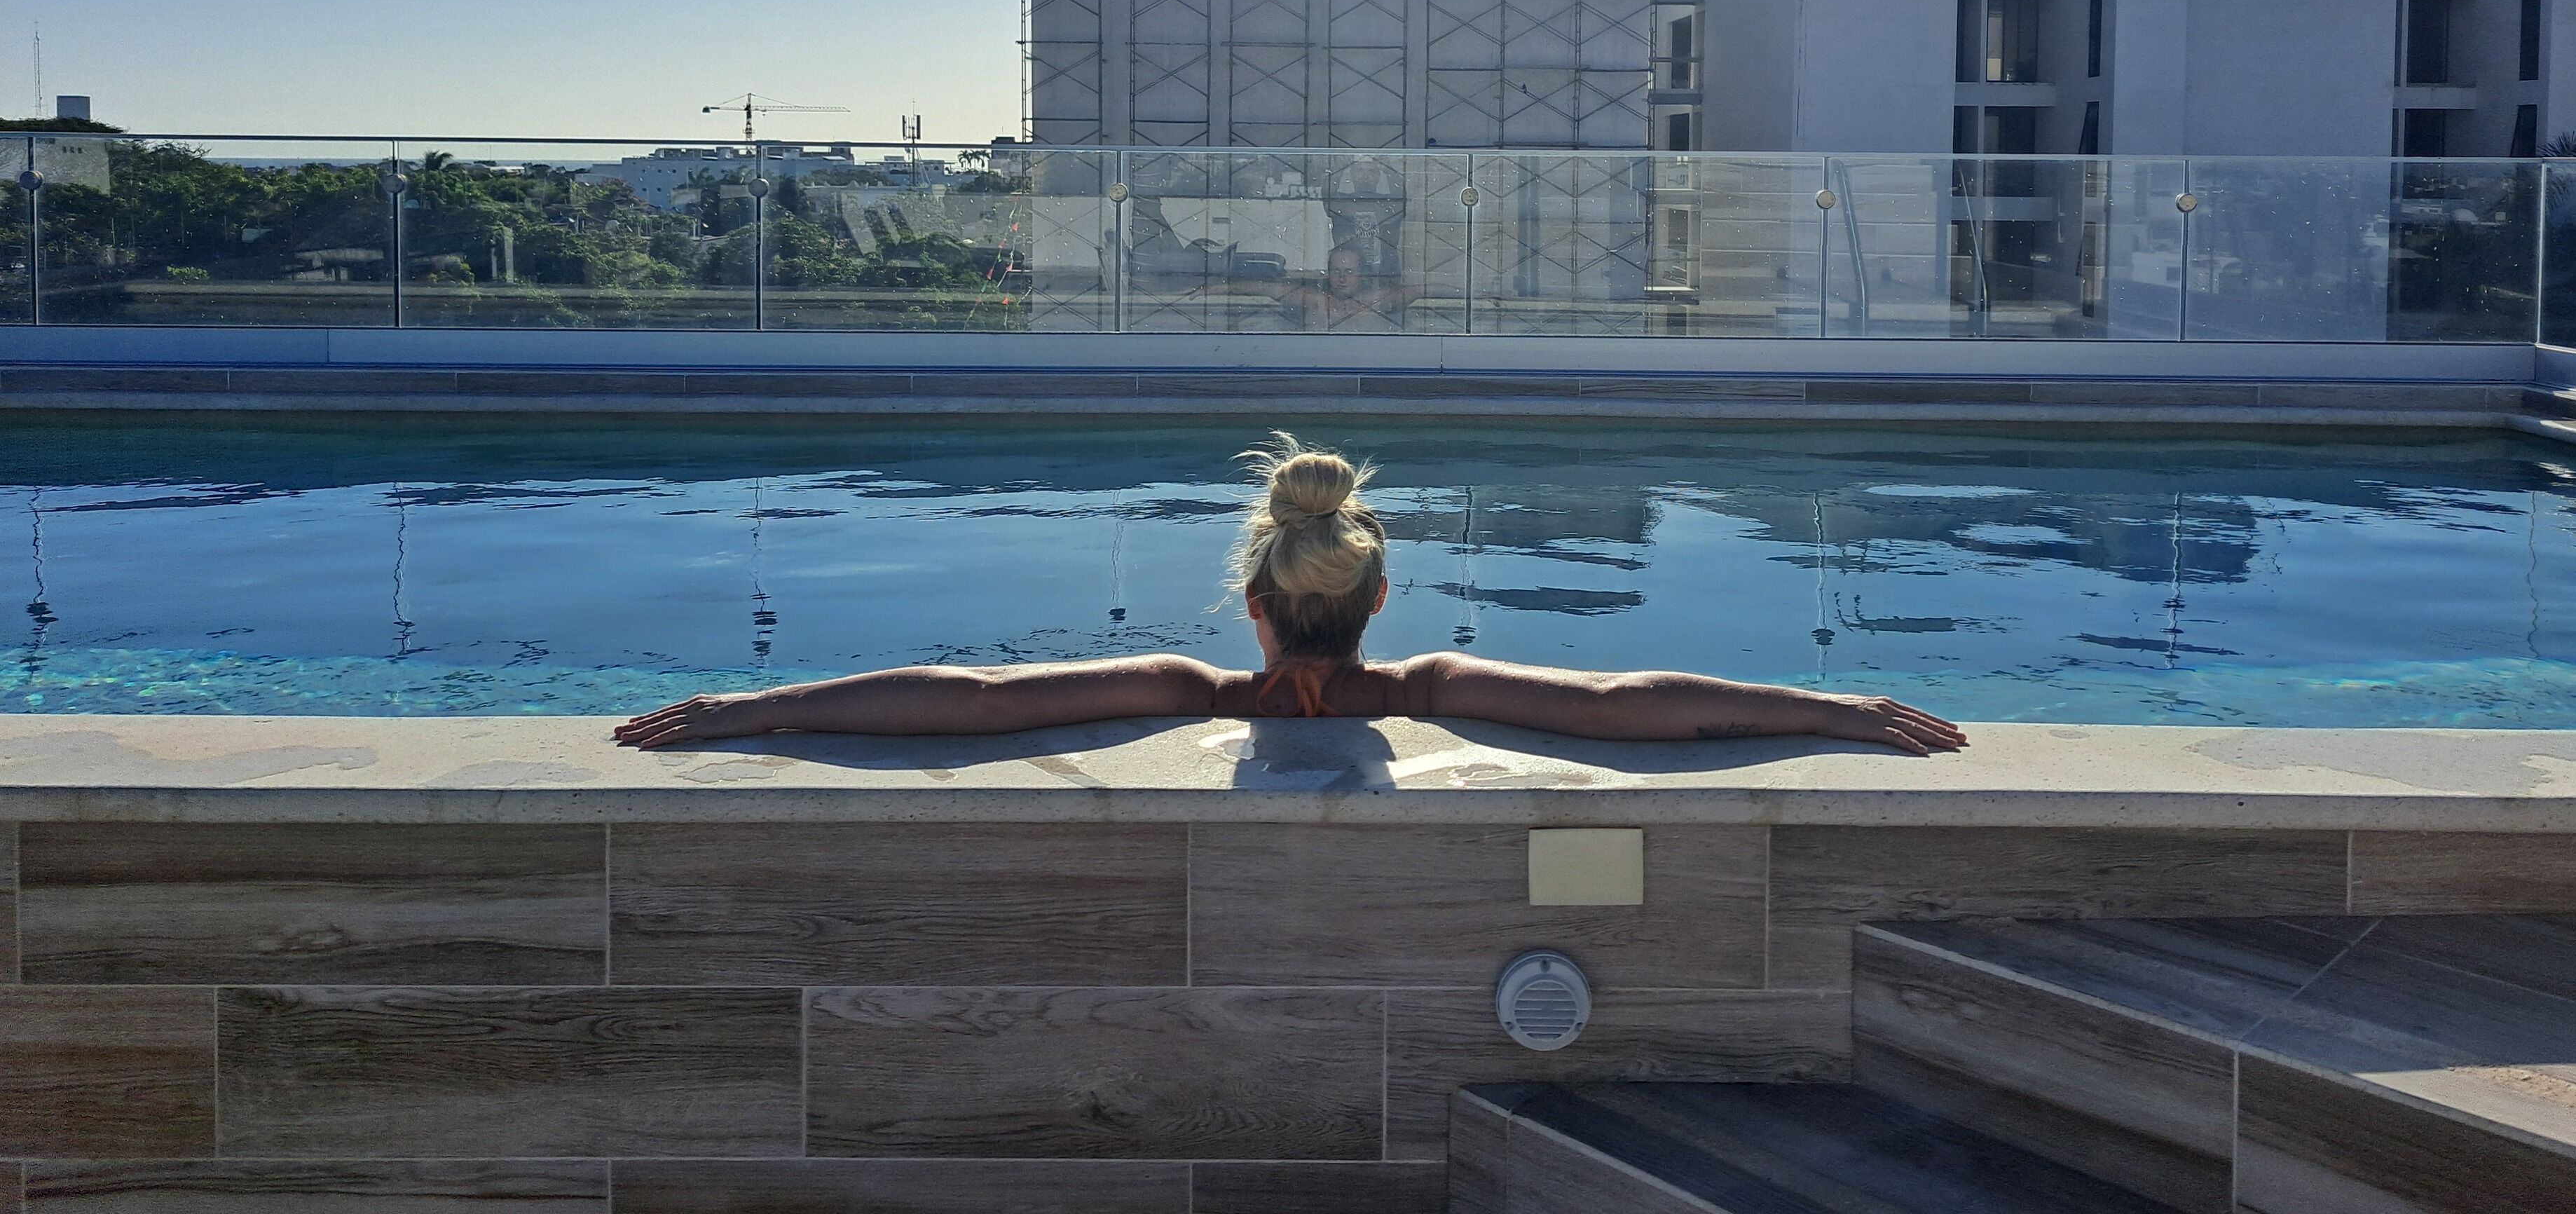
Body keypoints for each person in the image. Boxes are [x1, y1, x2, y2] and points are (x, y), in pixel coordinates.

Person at [613, 435, 1967, 756]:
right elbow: (1627, 699)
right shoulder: (1433, 685)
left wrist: (754, 705)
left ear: (1254, 603)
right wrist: (1834, 706)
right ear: (1378, 600)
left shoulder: (1183, 687)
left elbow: (964, 698)